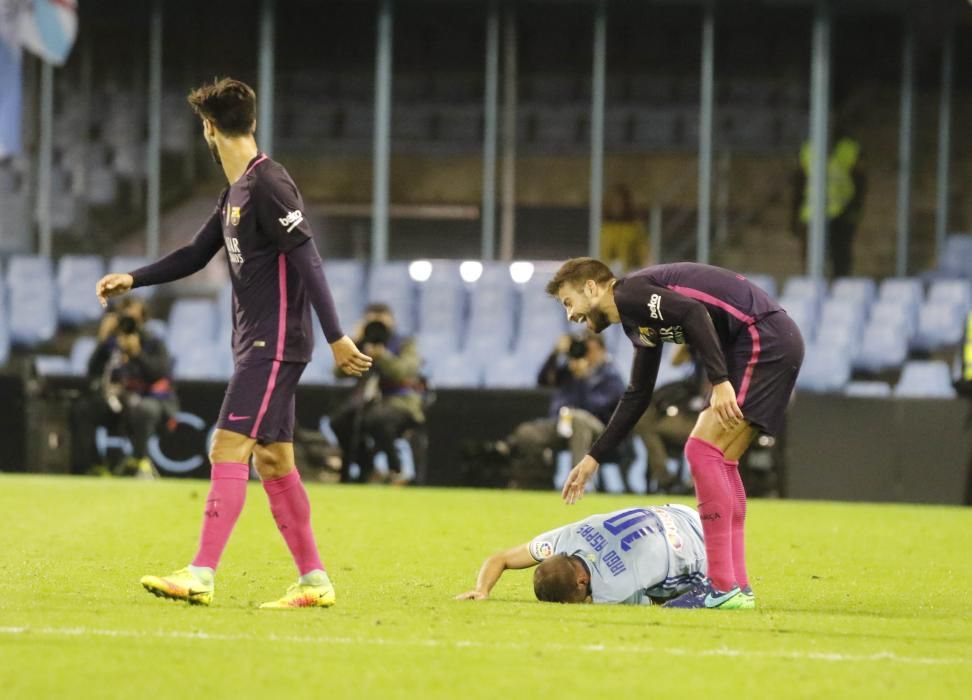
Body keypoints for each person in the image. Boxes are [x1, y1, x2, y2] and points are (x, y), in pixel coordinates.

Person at [95, 77, 372, 609]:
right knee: (274, 460)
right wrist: (134, 278)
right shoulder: (236, 191)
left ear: (208, 129)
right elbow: (195, 255)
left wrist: (337, 337)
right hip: (258, 344)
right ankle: (314, 580)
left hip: (275, 344)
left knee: (228, 446)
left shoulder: (269, 184)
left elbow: (308, 259)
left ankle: (201, 572)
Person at [546, 257, 804, 609]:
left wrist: (719, 380)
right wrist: (594, 458)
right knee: (722, 460)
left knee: (701, 451)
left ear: (591, 288)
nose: (570, 316)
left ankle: (721, 586)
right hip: (772, 338)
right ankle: (736, 587)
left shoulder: (632, 293)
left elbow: (693, 313)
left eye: (568, 302)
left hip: (761, 338)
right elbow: (637, 394)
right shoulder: (638, 321)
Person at [455, 504, 710, 605]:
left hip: (705, 549)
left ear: (581, 582)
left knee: (662, 596)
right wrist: (482, 589)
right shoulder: (563, 540)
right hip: (676, 511)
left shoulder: (614, 589)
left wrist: (484, 591)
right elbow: (499, 559)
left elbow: (655, 606)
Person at [70, 297, 176, 479]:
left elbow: (158, 373)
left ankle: (137, 461)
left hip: (149, 398)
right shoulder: (112, 343)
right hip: (117, 399)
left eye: (133, 320)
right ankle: (95, 465)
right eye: (124, 318)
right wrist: (103, 342)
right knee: (83, 410)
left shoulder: (153, 342)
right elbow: (92, 370)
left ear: (143, 320)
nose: (128, 324)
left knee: (143, 410)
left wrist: (137, 354)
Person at [505, 332, 625, 489]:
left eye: (589, 349)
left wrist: (584, 379)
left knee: (578, 419)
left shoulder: (610, 374)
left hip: (597, 429)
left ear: (600, 349)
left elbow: (595, 407)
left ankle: (579, 483)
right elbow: (543, 380)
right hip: (561, 423)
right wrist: (555, 354)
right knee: (527, 432)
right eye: (583, 348)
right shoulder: (569, 369)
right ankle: (536, 483)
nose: (586, 353)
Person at [329, 302, 425, 484]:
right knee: (340, 422)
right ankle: (365, 465)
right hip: (368, 402)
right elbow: (338, 373)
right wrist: (355, 344)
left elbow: (404, 371)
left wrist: (382, 355)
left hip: (401, 402)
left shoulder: (405, 343)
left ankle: (395, 469)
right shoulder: (362, 343)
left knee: (378, 419)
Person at [791, 135, 866, 277]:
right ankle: (811, 284)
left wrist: (855, 209)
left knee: (840, 256)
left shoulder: (849, 148)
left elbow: (860, 182)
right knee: (811, 256)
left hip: (841, 214)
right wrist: (794, 214)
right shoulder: (808, 149)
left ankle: (840, 289)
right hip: (812, 213)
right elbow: (799, 183)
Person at [599, 184, 648, 273]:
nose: (618, 207)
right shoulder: (605, 229)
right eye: (615, 203)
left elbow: (644, 254)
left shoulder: (635, 228)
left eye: (621, 203)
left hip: (631, 273)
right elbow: (602, 255)